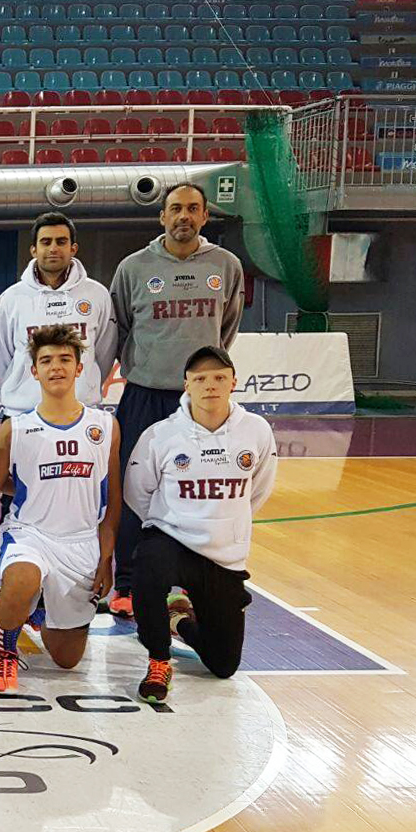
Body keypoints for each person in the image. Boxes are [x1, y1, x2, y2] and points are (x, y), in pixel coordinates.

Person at [107, 185, 245, 616]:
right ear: (162, 217)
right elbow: (119, 328)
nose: (183, 216)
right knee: (133, 490)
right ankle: (127, 584)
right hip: (144, 395)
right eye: (175, 209)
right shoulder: (133, 267)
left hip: (198, 402)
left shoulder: (226, 265)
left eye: (192, 209)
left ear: (205, 216)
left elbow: (226, 328)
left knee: (193, 491)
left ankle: (186, 585)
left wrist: (199, 377)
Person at [123, 346, 277, 704]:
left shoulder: (256, 430)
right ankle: (159, 660)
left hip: (223, 556)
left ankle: (178, 619)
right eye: (201, 379)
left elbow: (259, 490)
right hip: (172, 540)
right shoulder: (161, 434)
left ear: (233, 382)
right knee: (148, 565)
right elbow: (136, 492)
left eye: (219, 377)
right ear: (186, 385)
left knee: (223, 665)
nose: (210, 385)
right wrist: (166, 524)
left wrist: (227, 524)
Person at [0, 325, 120, 694]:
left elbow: (112, 500)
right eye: (46, 361)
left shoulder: (105, 426)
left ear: (79, 368)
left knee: (67, 658)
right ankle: (5, 651)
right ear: (34, 371)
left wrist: (106, 558)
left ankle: (41, 610)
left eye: (64, 359)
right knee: (21, 579)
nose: (55, 367)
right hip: (31, 534)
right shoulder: (15, 428)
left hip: (81, 543)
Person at [0, 212, 116, 415]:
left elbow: (104, 352)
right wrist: (24, 389)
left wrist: (85, 385)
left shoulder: (97, 294)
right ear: (33, 249)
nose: (53, 248)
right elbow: (0, 358)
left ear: (73, 248)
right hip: (23, 412)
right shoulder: (10, 299)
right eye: (46, 242)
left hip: (81, 411)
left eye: (61, 242)